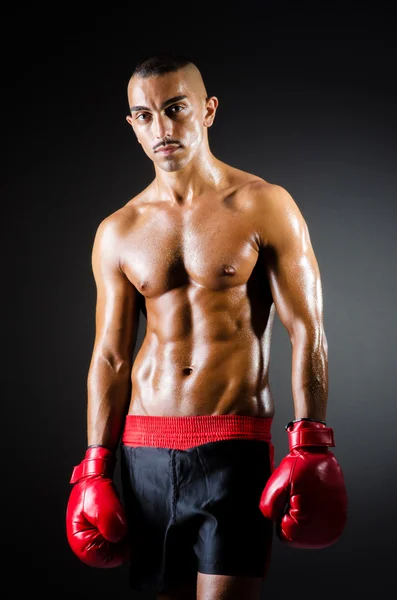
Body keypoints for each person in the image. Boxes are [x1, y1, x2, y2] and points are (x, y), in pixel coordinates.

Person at [66, 52, 348, 600]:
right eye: (144, 115)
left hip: (231, 448)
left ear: (208, 110)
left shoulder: (265, 205)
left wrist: (310, 442)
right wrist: (95, 467)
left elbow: (308, 329)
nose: (162, 128)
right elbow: (110, 358)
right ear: (132, 124)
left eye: (175, 109)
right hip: (142, 449)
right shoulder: (118, 230)